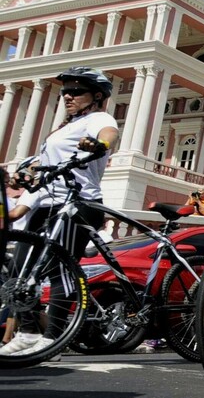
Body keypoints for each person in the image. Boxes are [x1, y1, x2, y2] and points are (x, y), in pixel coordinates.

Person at [1, 67, 119, 357]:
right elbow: (42, 161)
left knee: (60, 272)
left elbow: (109, 134)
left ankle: (54, 337)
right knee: (18, 268)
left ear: (96, 96)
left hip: (77, 203)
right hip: (46, 202)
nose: (67, 96)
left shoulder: (98, 118)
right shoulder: (63, 128)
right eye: (65, 91)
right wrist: (23, 173)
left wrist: (100, 144)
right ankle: (28, 331)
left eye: (76, 91)